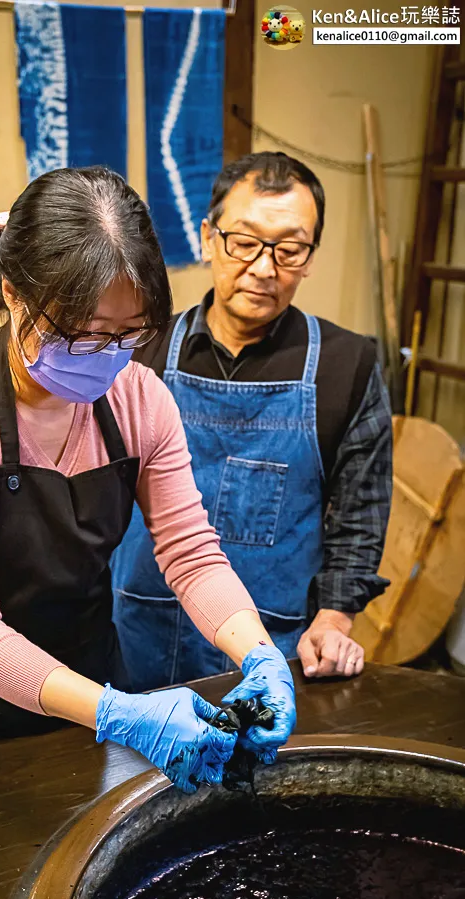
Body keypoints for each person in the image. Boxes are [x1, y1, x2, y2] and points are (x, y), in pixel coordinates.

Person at [0, 166, 296, 794]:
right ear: (15, 294)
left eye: (128, 334)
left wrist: (260, 656)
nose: (107, 356)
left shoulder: (141, 400)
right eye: (83, 335)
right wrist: (117, 713)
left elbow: (191, 555)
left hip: (94, 682)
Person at [112, 152, 392, 689]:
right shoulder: (139, 350)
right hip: (134, 639)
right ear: (208, 238)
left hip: (270, 651)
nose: (265, 269)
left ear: (310, 258)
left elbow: (361, 512)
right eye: (244, 242)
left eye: (289, 249)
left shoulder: (346, 366)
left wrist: (334, 618)